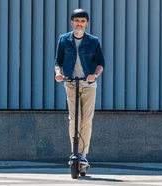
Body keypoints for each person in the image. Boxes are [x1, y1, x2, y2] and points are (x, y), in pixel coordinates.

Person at [54, 8, 105, 166]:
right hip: (70, 83)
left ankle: (83, 155)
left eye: (83, 21)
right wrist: (58, 73)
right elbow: (58, 61)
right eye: (77, 21)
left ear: (87, 23)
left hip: (88, 84)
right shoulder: (64, 40)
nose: (79, 24)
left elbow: (100, 63)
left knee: (87, 119)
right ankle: (74, 152)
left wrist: (94, 75)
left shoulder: (93, 41)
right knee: (74, 119)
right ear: (72, 22)